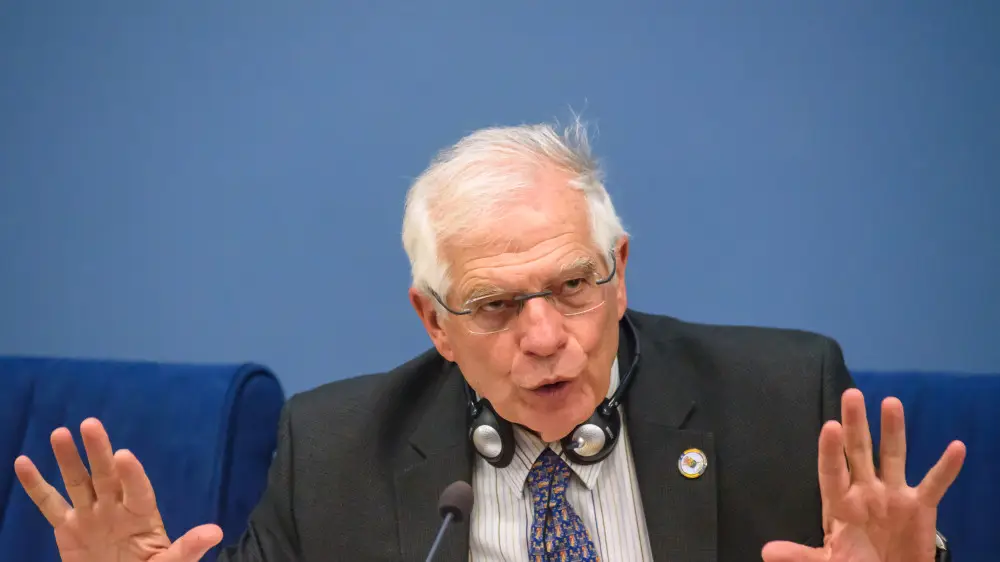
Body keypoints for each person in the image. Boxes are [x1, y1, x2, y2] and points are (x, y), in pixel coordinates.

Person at [14, 119, 966, 562]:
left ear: (620, 270)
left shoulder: (787, 401)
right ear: (434, 322)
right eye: (495, 306)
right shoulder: (335, 451)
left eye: (574, 286)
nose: (545, 337)